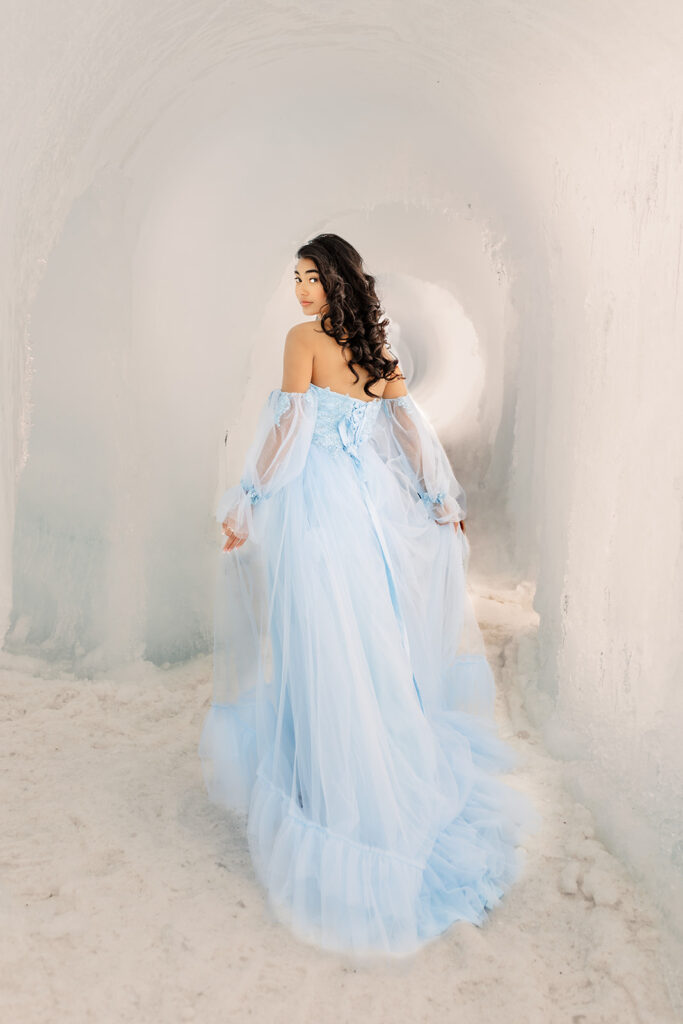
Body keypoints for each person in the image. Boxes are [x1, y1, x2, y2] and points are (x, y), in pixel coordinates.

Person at [198, 233, 541, 960]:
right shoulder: (373, 354)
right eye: (294, 278)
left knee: (317, 633)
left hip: (316, 510)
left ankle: (325, 785)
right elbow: (409, 432)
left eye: (311, 277)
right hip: (365, 510)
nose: (299, 290)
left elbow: (290, 425)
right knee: (359, 636)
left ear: (336, 281)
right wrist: (437, 500)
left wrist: (249, 497)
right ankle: (359, 763)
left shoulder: (302, 341)